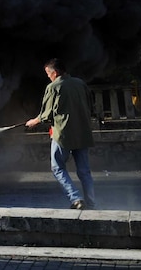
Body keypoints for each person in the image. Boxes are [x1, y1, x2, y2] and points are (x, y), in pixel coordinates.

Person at [25, 58, 96, 210]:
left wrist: (34, 121)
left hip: (62, 133)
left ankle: (76, 198)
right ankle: (91, 202)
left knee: (57, 167)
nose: (48, 77)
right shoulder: (80, 83)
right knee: (84, 170)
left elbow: (47, 114)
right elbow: (91, 106)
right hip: (82, 131)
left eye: (48, 74)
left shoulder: (54, 87)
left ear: (55, 72)